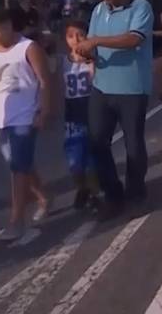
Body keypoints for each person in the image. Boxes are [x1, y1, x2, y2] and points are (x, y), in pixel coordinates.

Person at [75, 0, 154, 220]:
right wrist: (85, 50)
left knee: (133, 144)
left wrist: (96, 42)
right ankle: (113, 194)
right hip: (102, 85)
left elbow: (134, 39)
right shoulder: (99, 10)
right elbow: (91, 41)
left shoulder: (141, 7)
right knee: (97, 142)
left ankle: (136, 193)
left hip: (132, 87)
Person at [0, 7, 51, 240]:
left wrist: (44, 111)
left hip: (25, 117)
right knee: (19, 164)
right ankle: (44, 196)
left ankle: (16, 219)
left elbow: (44, 81)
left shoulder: (28, 48)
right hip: (0, 118)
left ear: (8, 24)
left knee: (18, 167)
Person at [60, 20, 97, 209]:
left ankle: (95, 194)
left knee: (93, 160)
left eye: (80, 35)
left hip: (92, 112)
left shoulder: (94, 60)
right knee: (75, 161)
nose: (75, 39)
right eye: (70, 36)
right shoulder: (63, 62)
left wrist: (91, 61)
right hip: (73, 118)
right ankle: (81, 188)